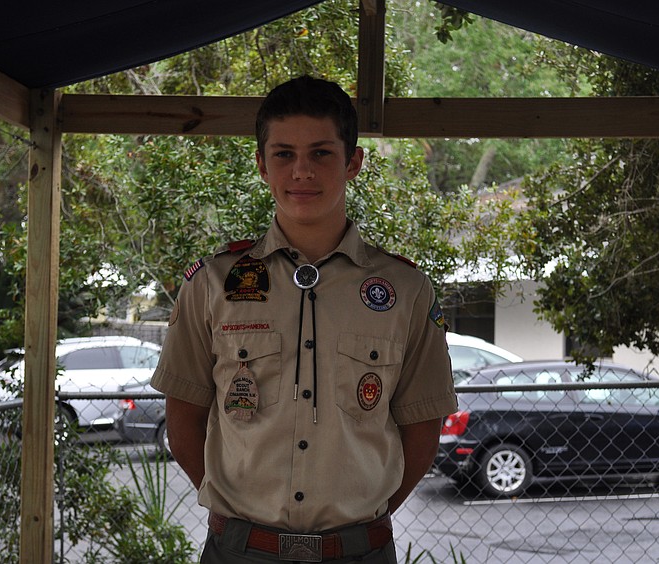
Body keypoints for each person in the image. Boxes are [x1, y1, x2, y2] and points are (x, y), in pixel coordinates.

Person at [151, 75, 457, 563]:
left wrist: (361, 526)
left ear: (352, 162)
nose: (302, 172)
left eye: (321, 153)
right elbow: (184, 413)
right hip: (239, 552)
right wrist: (237, 520)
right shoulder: (213, 282)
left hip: (360, 552)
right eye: (283, 154)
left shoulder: (405, 290)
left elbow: (422, 424)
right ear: (261, 165)